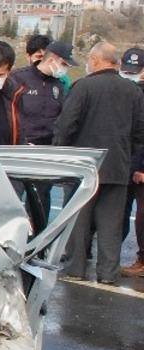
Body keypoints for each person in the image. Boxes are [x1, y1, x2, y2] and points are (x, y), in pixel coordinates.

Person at [53, 42, 144, 284]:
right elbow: (139, 133)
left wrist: (61, 155)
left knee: (79, 222)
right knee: (111, 225)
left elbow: (66, 125)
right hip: (118, 166)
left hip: (84, 166)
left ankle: (75, 268)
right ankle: (108, 273)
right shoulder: (133, 91)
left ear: (94, 60)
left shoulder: (83, 87)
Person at [14, 40, 75, 145]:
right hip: (21, 144)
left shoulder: (59, 84)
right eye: (63, 64)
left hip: (48, 147)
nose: (65, 69)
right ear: (51, 60)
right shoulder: (18, 78)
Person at [119, 47, 144, 277]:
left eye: (134, 70)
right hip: (124, 163)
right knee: (120, 213)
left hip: (139, 165)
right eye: (126, 70)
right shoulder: (124, 91)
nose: (130, 74)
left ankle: (142, 259)